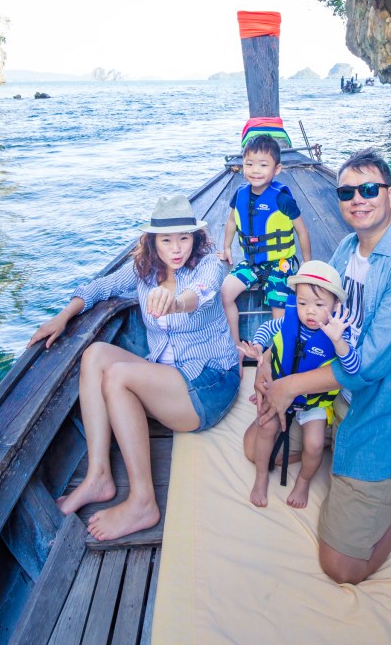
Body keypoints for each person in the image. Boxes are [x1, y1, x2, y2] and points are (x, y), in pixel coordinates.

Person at [256, 147, 391, 585]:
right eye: (347, 192)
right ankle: (345, 438)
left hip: (381, 409)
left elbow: (370, 366)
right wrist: (269, 356)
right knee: (256, 449)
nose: (357, 199)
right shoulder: (346, 250)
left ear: (390, 194)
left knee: (342, 568)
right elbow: (307, 309)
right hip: (334, 397)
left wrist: (291, 387)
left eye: (368, 189)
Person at [27, 194, 239, 542]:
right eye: (167, 240)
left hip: (209, 383)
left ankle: (143, 502)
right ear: (152, 242)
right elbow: (100, 287)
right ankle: (99, 477)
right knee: (94, 354)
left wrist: (174, 303)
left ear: (196, 238)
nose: (176, 249)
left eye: (184, 238)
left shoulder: (208, 265)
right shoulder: (144, 272)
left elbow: (200, 294)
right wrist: (63, 316)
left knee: (119, 376)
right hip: (168, 380)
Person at [241, 260, 360, 509]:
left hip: (313, 401)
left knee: (315, 444)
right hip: (281, 391)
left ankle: (304, 481)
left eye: (319, 305)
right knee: (265, 427)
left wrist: (339, 342)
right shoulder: (290, 322)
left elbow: (351, 368)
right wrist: (259, 347)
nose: (310, 312)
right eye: (303, 303)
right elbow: (267, 327)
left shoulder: (338, 333)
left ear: (335, 306)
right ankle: (262, 476)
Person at [218, 134, 312, 350]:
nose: (255, 170)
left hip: (280, 263)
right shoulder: (240, 194)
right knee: (225, 292)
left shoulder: (282, 199)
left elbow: (302, 230)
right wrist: (226, 248)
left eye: (263, 165)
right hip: (252, 262)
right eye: (249, 164)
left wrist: (307, 264)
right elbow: (231, 221)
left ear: (276, 169)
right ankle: (236, 346)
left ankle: (275, 352)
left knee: (279, 307)